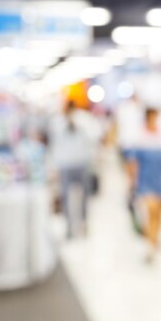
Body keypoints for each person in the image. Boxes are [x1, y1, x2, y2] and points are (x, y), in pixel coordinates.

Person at [126, 108, 161, 263]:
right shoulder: (140, 138)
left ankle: (154, 240)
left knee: (160, 215)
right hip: (146, 180)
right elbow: (132, 162)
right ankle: (150, 245)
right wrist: (131, 181)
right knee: (151, 211)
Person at [50, 101, 93, 238]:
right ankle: (68, 226)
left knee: (84, 196)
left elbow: (92, 137)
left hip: (81, 162)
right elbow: (54, 144)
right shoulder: (56, 121)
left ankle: (84, 222)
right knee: (65, 196)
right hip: (65, 164)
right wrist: (54, 166)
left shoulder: (84, 119)